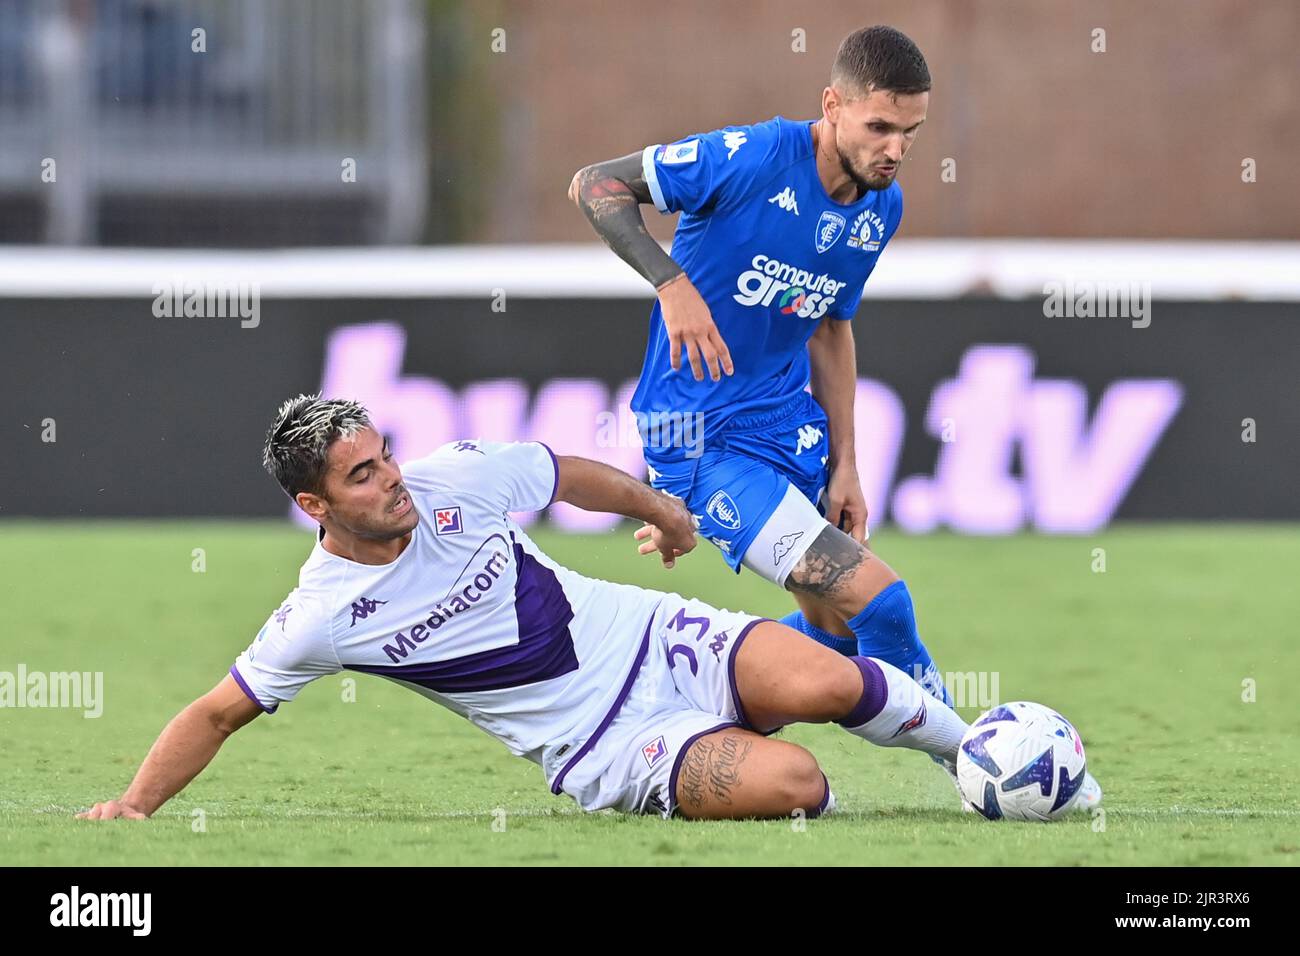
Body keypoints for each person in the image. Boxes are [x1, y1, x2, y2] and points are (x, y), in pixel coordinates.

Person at [77, 394, 972, 822]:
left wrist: (661, 511)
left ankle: (978, 758)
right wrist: (134, 805)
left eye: (384, 455)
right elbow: (218, 709)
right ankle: (741, 732)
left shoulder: (454, 477)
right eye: (362, 475)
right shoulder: (321, 616)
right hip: (601, 744)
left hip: (653, 637)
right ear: (314, 506)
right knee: (798, 785)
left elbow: (565, 475)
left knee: (834, 680)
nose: (392, 479)